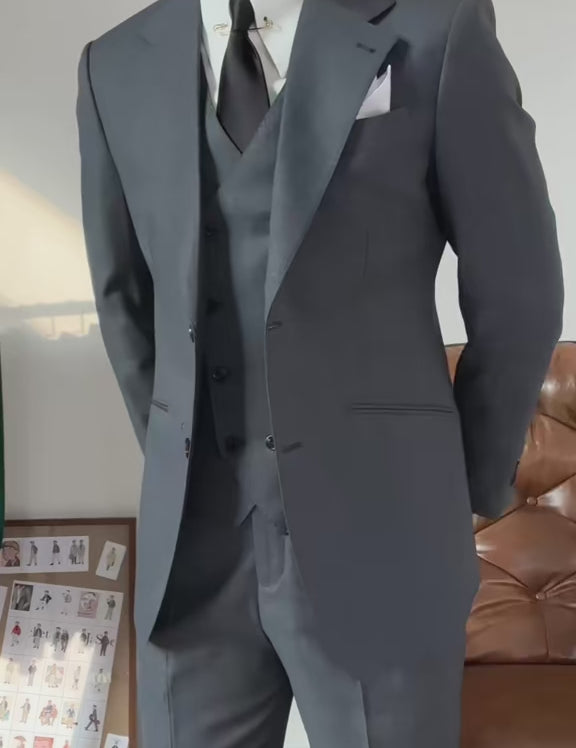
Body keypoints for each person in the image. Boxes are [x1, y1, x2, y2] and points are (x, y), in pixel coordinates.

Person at [75, 0, 564, 746]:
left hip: (386, 540)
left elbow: (518, 291)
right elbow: (125, 301)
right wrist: (182, 461)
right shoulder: (112, 65)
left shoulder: (436, 27)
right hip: (191, 562)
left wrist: (451, 485)